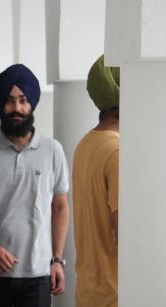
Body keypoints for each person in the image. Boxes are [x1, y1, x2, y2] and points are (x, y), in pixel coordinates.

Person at [0, 64, 70, 307]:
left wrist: (57, 259)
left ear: (32, 104)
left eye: (23, 100)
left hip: (38, 273)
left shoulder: (53, 150)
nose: (17, 108)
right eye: (9, 101)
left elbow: (60, 206)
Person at [73, 55, 119, 307]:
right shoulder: (117, 151)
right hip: (115, 296)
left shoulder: (85, 144)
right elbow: (128, 234)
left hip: (89, 292)